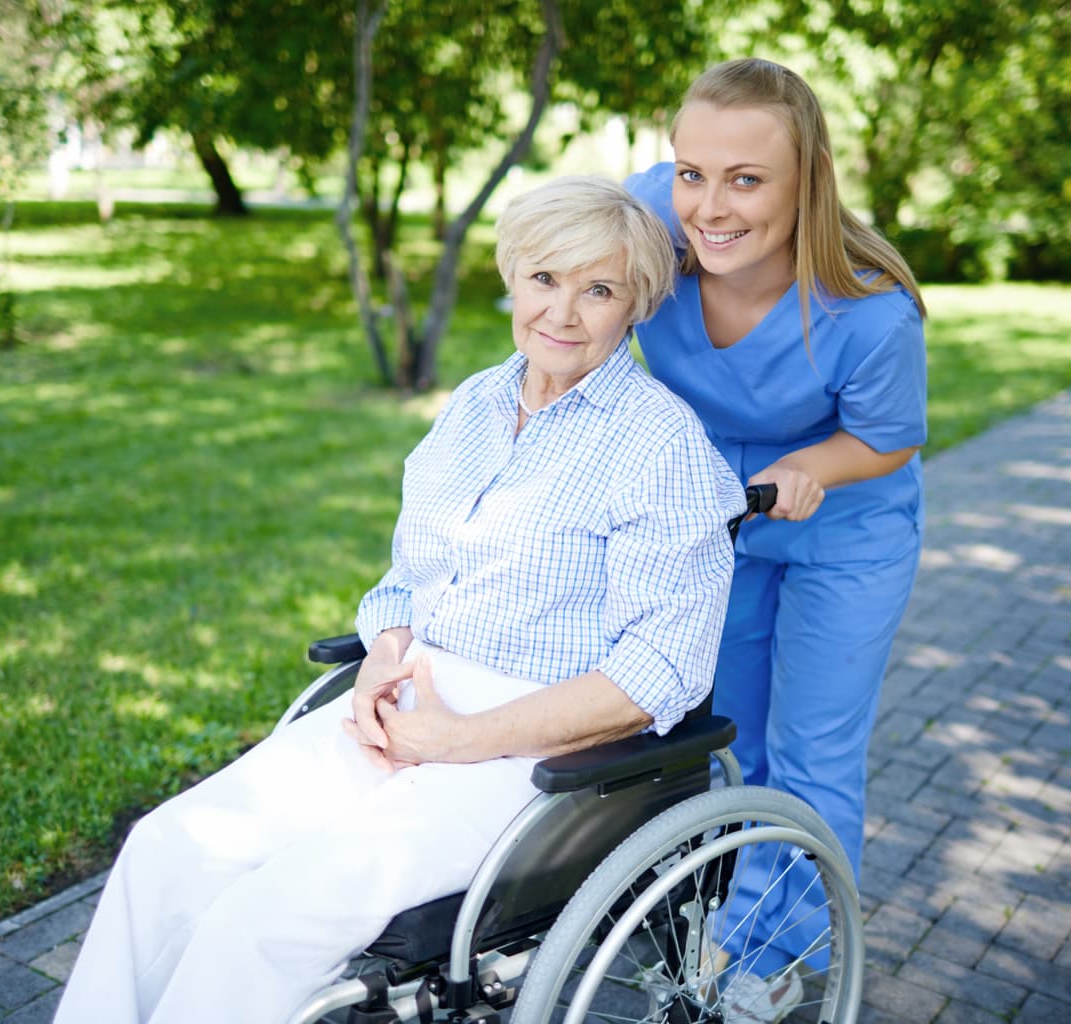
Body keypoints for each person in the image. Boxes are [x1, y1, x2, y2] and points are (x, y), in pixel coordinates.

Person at [52, 175, 745, 1024]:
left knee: (264, 921)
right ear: (512, 278)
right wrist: (383, 659)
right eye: (544, 279)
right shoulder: (476, 405)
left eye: (597, 289)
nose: (562, 313)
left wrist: (462, 740)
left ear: (634, 304)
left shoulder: (658, 443)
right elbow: (409, 578)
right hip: (406, 704)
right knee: (165, 851)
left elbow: (654, 675)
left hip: (540, 755)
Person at [626, 57, 928, 1017]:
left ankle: (772, 952)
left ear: (808, 183)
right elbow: (558, 276)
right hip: (718, 515)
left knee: (812, 750)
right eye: (692, 171)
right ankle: (743, 913)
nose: (708, 205)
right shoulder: (649, 218)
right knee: (737, 737)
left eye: (746, 179)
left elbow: (889, 438)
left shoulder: (871, 309)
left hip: (844, 531)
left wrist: (814, 467)